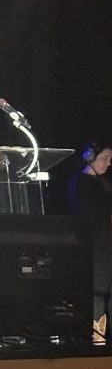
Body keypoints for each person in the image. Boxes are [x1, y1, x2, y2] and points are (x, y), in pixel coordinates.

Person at [67, 143, 112, 334]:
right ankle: (96, 336)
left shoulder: (103, 183)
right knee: (98, 291)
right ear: (89, 156)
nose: (108, 163)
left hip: (106, 243)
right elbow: (87, 212)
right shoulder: (80, 182)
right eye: (104, 158)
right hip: (94, 244)